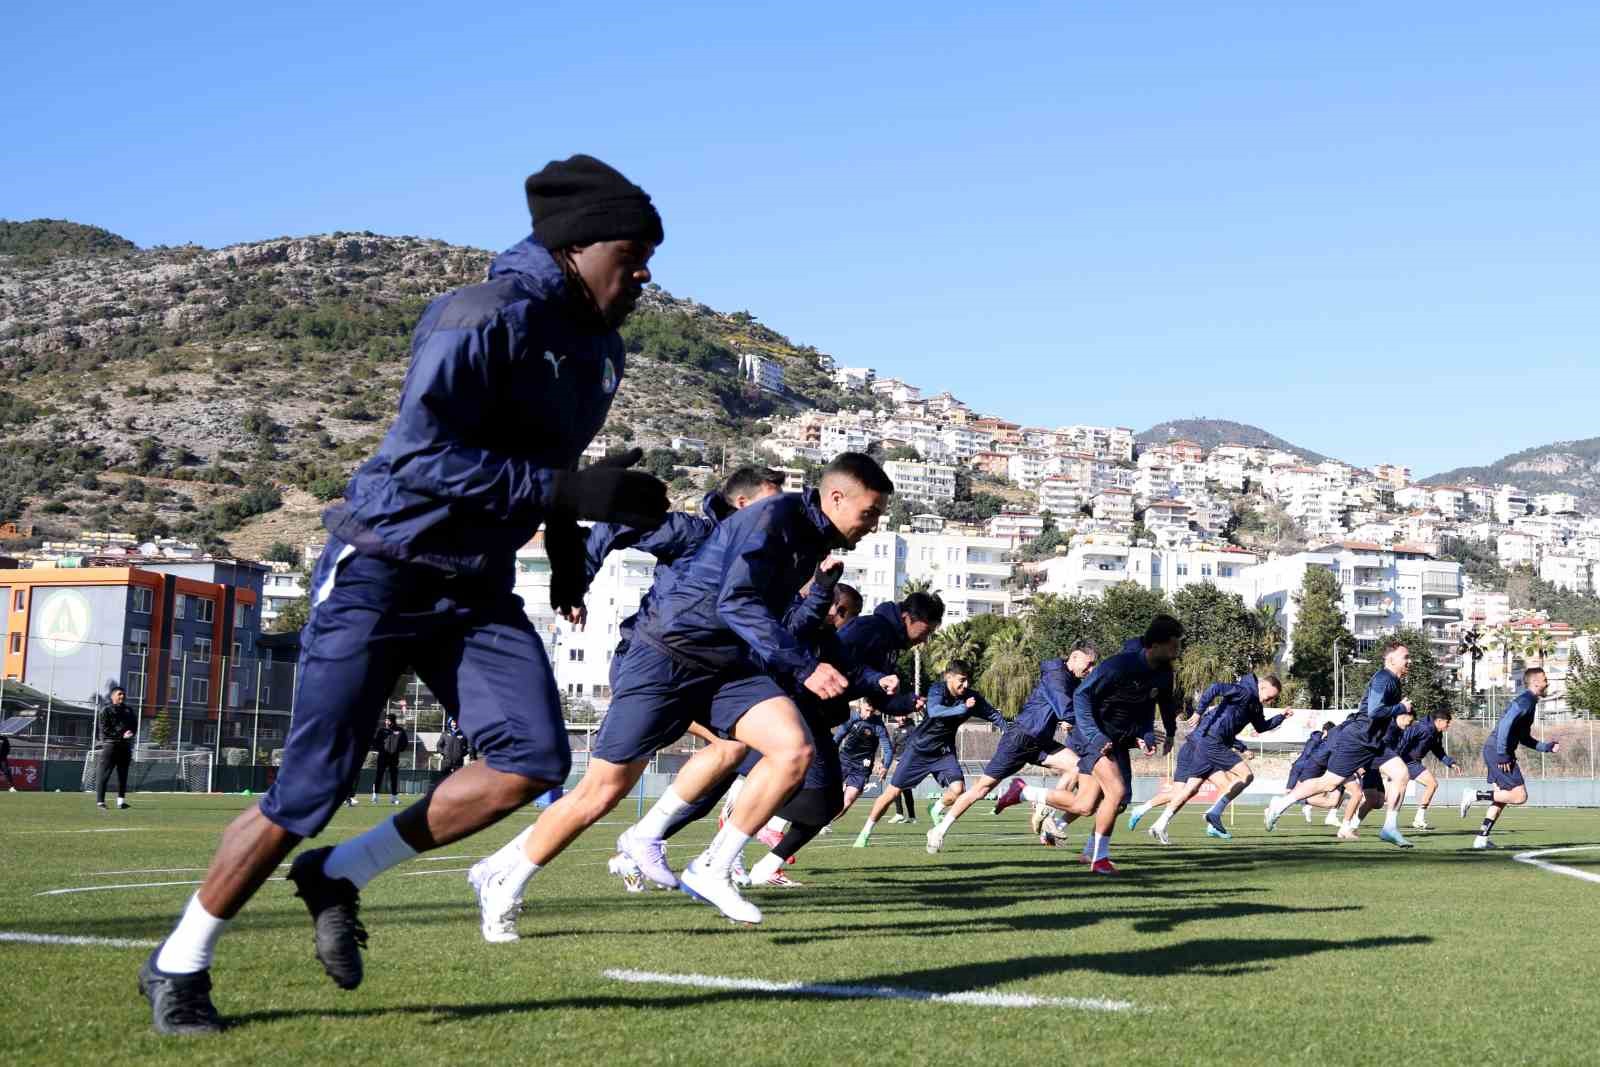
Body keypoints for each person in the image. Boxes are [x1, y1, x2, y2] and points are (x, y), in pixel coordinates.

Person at [139, 154, 670, 1036]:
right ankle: (179, 961)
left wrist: (577, 543)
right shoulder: (478, 315)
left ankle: (339, 873)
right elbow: (425, 458)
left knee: (531, 762)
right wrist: (563, 498)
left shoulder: (599, 352)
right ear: (577, 246)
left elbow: (552, 470)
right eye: (634, 249)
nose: (647, 272)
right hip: (385, 567)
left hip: (474, 586)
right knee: (311, 787)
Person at [467, 452, 894, 930]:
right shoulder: (777, 519)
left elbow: (765, 615)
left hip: (725, 665)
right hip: (666, 657)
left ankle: (712, 866)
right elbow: (736, 601)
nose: (874, 525)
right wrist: (577, 576)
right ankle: (504, 881)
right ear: (836, 497)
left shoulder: (811, 536)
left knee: (791, 749)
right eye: (870, 513)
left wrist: (816, 601)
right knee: (601, 791)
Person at [924, 646, 1097, 854]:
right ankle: (939, 831)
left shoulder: (1068, 678)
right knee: (981, 789)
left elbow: (1065, 709)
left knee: (1077, 767)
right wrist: (1085, 724)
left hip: (1040, 741)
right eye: (1088, 664)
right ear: (1075, 657)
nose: (1091, 669)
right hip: (1020, 738)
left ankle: (1046, 813)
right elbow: (1065, 708)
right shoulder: (1057, 676)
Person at [1266, 640, 1415, 848]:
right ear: (1390, 659)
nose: (1410, 661)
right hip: (1358, 739)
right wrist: (1400, 708)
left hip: (1375, 742)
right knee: (1327, 783)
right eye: (1405, 657)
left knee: (1401, 774)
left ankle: (1389, 828)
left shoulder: (1394, 681)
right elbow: (1374, 711)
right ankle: (1280, 803)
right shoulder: (1383, 678)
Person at [854, 659, 1005, 848]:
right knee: (892, 793)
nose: (965, 685)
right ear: (949, 677)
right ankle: (865, 833)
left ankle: (936, 808)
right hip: (919, 750)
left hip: (943, 752)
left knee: (958, 790)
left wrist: (1008, 731)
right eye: (962, 680)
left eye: (968, 681)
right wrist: (962, 708)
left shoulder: (972, 697)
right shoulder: (937, 689)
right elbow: (934, 711)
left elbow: (993, 715)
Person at [1128, 672, 1287, 844]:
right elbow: (1215, 688)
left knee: (1189, 790)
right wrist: (1198, 712)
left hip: (1208, 743)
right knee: (1245, 776)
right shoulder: (1244, 691)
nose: (1269, 701)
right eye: (1270, 697)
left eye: (1272, 699)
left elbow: (1261, 726)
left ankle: (1160, 824)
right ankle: (1213, 815)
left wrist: (1281, 717)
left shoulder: (1255, 705)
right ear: (1262, 687)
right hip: (1208, 742)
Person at [1460, 668, 1559, 849]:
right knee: (1520, 796)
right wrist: (1503, 754)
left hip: (1496, 750)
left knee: (1502, 798)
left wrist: (1546, 747)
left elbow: (1524, 738)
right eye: (1545, 679)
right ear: (1536, 682)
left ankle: (1481, 838)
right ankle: (1473, 794)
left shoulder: (1530, 703)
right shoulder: (1525, 701)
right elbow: (1505, 724)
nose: (1547, 683)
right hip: (1499, 751)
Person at [831, 704, 896, 823]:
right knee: (825, 792)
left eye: (872, 711)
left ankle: (825, 823)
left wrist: (885, 766)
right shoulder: (851, 718)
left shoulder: (878, 725)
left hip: (862, 766)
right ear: (861, 706)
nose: (868, 714)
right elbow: (837, 737)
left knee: (849, 800)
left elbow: (887, 749)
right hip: (843, 760)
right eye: (866, 710)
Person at [1395, 709, 1457, 830]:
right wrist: (1394, 758)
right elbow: (1403, 740)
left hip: (1413, 763)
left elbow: (1438, 750)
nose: (1448, 725)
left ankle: (1418, 819)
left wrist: (1451, 763)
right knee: (1384, 796)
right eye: (1447, 722)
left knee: (1432, 784)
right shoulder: (1422, 728)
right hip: (1405, 761)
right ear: (1438, 721)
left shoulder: (1436, 733)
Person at [1286, 720, 1345, 825]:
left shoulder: (1324, 741)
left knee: (1323, 789)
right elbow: (1309, 754)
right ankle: (1303, 803)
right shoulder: (1316, 739)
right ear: (1325, 731)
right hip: (1303, 768)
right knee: (1291, 794)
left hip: (1313, 768)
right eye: (1331, 733)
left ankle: (1309, 807)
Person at [95, 684, 137, 810]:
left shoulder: (129, 710)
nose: (122, 696)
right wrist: (120, 735)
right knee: (104, 774)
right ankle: (100, 802)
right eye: (119, 694)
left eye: (123, 694)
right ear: (113, 697)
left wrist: (131, 733)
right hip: (111, 746)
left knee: (123, 775)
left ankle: (121, 802)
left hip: (125, 747)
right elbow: (104, 730)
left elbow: (134, 725)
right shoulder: (106, 710)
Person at [371, 714, 407, 805]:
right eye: (386, 720)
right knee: (379, 776)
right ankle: (375, 796)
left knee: (394, 777)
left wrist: (398, 750)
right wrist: (381, 749)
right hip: (382, 757)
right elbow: (375, 742)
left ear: (393, 721)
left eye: (388, 720)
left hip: (394, 757)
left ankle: (394, 798)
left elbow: (405, 743)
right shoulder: (381, 731)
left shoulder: (400, 731)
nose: (386, 722)